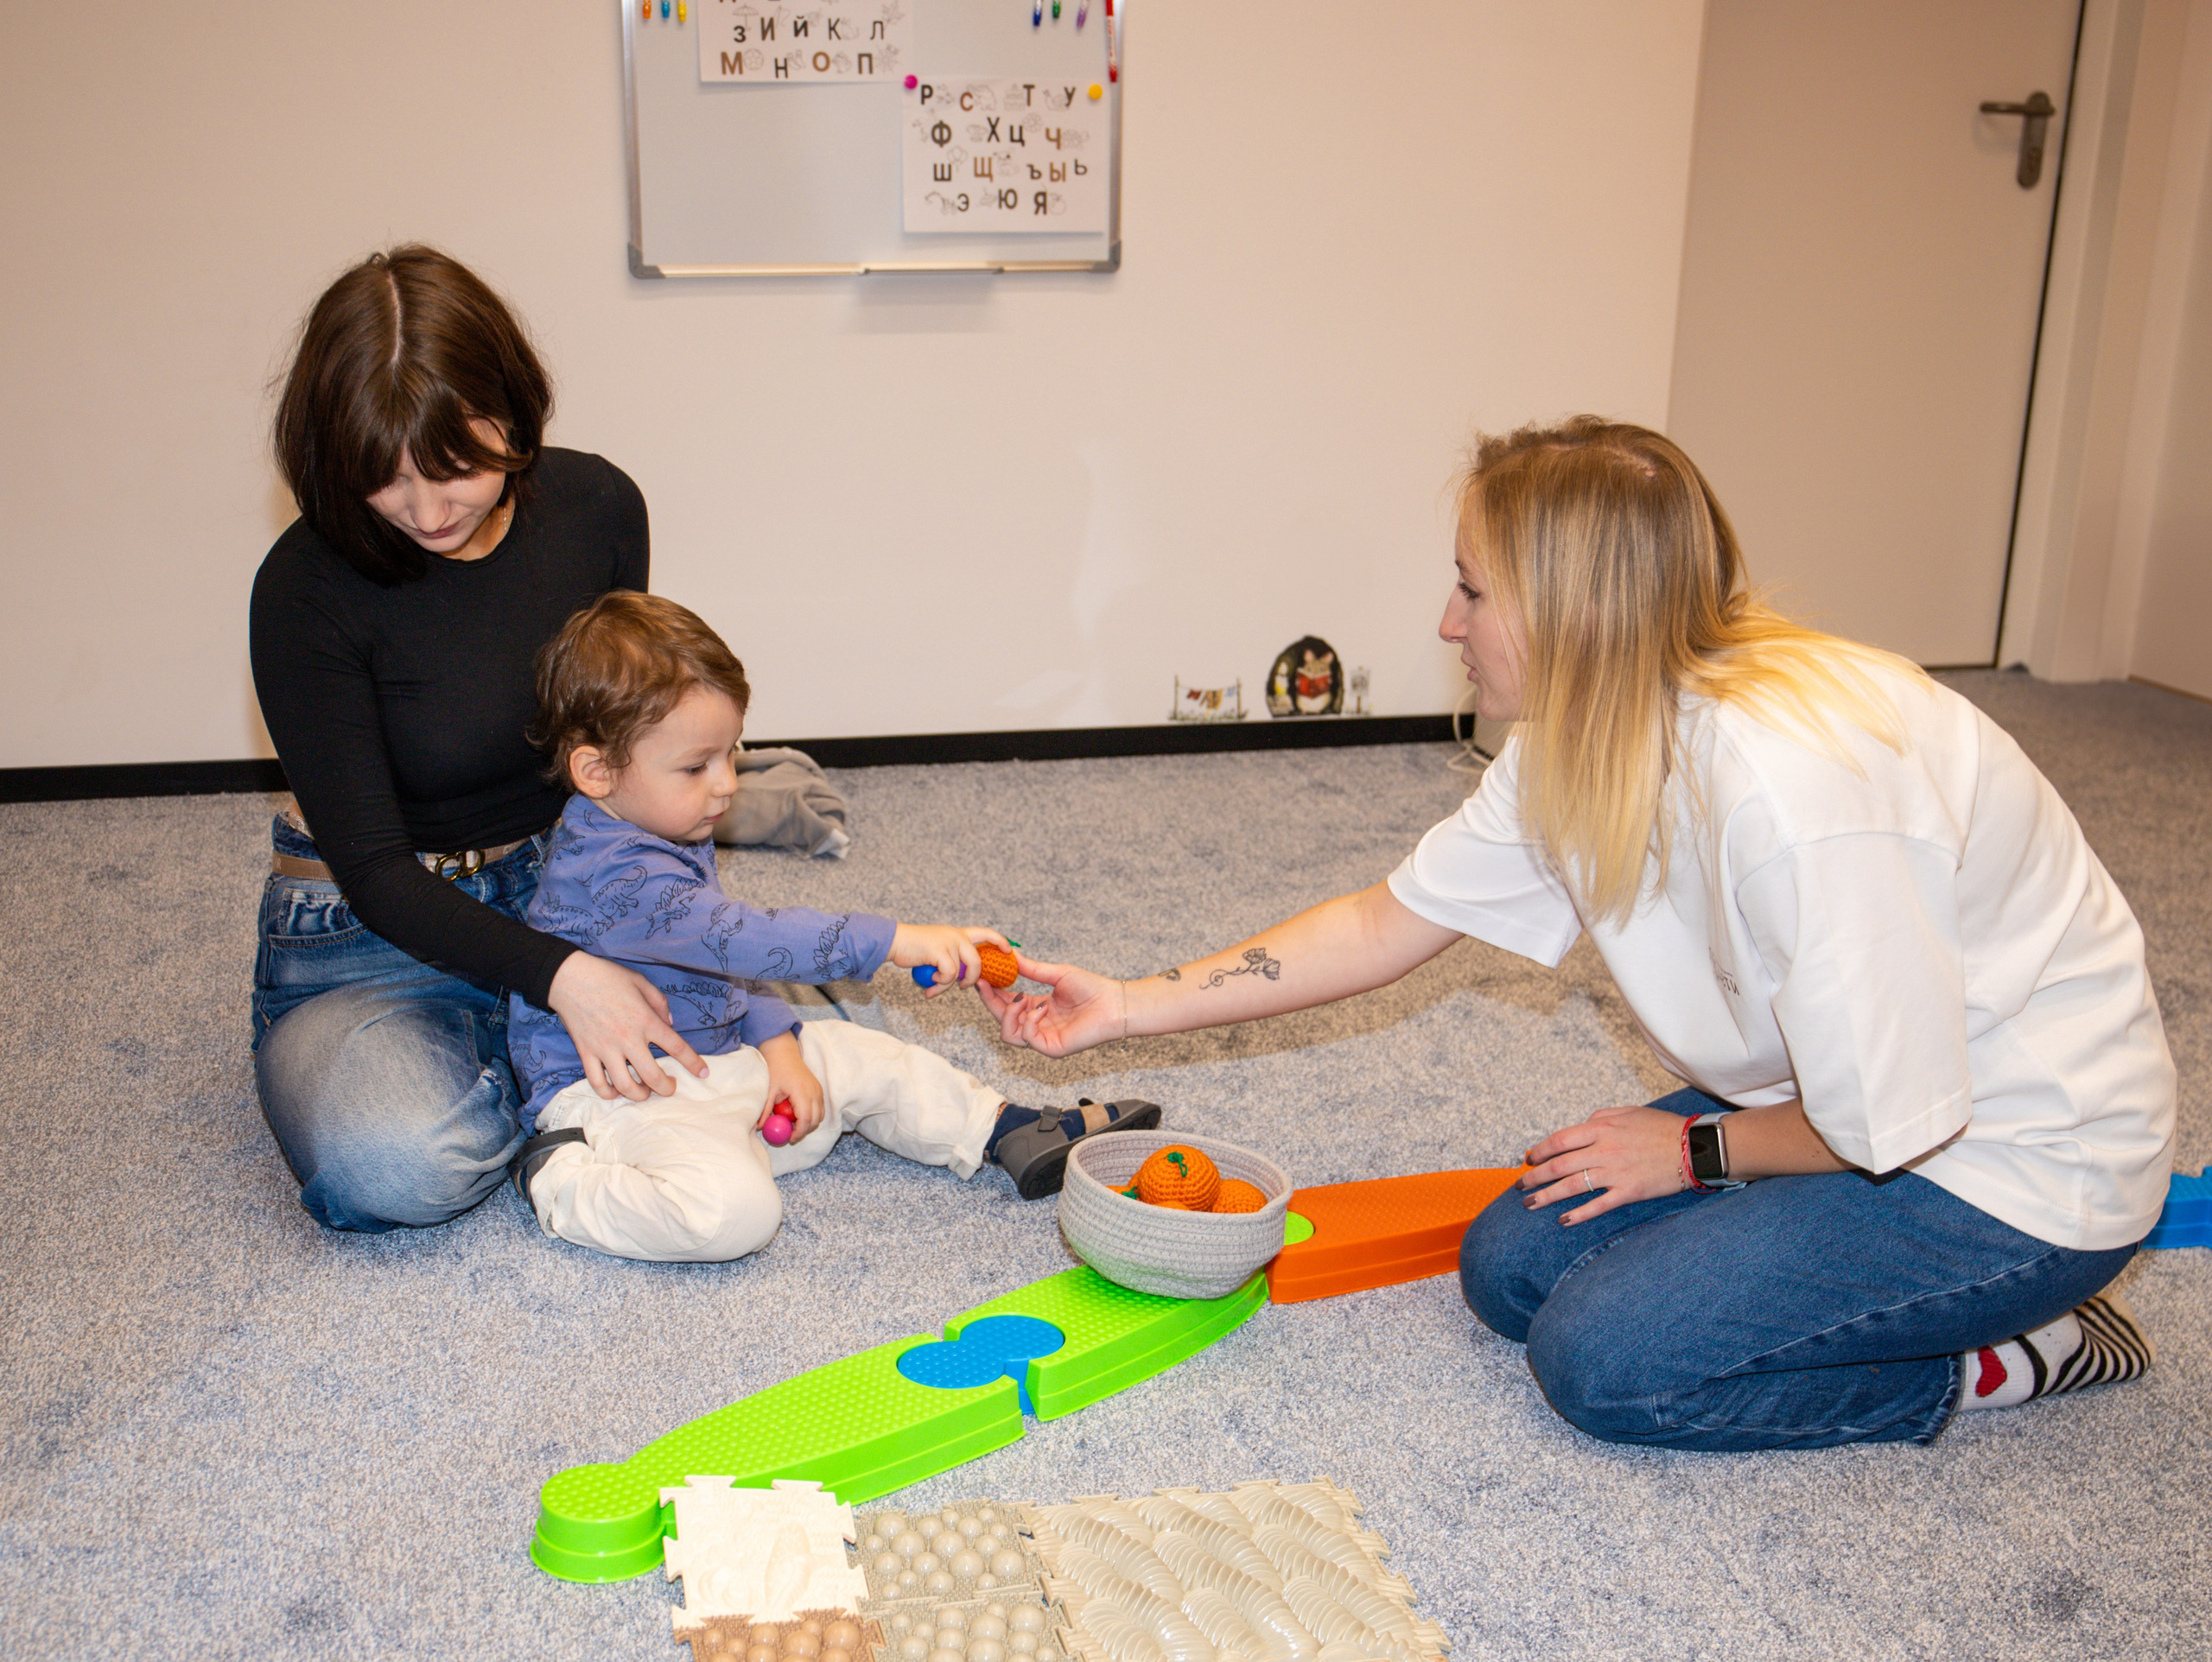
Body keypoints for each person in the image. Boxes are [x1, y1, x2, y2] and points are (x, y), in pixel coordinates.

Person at [979, 416, 2176, 1451]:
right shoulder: (1584, 738)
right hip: (1834, 1112)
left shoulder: (1803, 795)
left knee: (1610, 1366)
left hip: (2006, 1169)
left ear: (1578, 608)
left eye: (1475, 588)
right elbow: (1383, 922)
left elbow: (1890, 1115)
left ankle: (2011, 1351)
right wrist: (1127, 1002)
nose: (1448, 621)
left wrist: (1698, 1154)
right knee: (1510, 1271)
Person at [251, 245, 723, 1234]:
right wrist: (565, 982)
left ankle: (530, 1060)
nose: (425, 513)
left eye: (454, 468)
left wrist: (644, 913)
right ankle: (537, 1074)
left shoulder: (599, 509)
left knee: (800, 1033)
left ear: (509, 409)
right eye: (382, 481)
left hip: (567, 879)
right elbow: (374, 870)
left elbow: (618, 740)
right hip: (366, 933)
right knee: (397, 1165)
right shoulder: (302, 591)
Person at [505, 592, 1159, 1261]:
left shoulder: (663, 818)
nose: (727, 784)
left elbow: (723, 962)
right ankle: (560, 1181)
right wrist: (896, 938)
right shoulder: (614, 878)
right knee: (738, 1217)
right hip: (626, 1098)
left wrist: (779, 1048)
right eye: (697, 766)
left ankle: (1007, 1130)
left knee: (867, 1057)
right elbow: (750, 937)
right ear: (596, 772)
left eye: (732, 753)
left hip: (720, 1058)